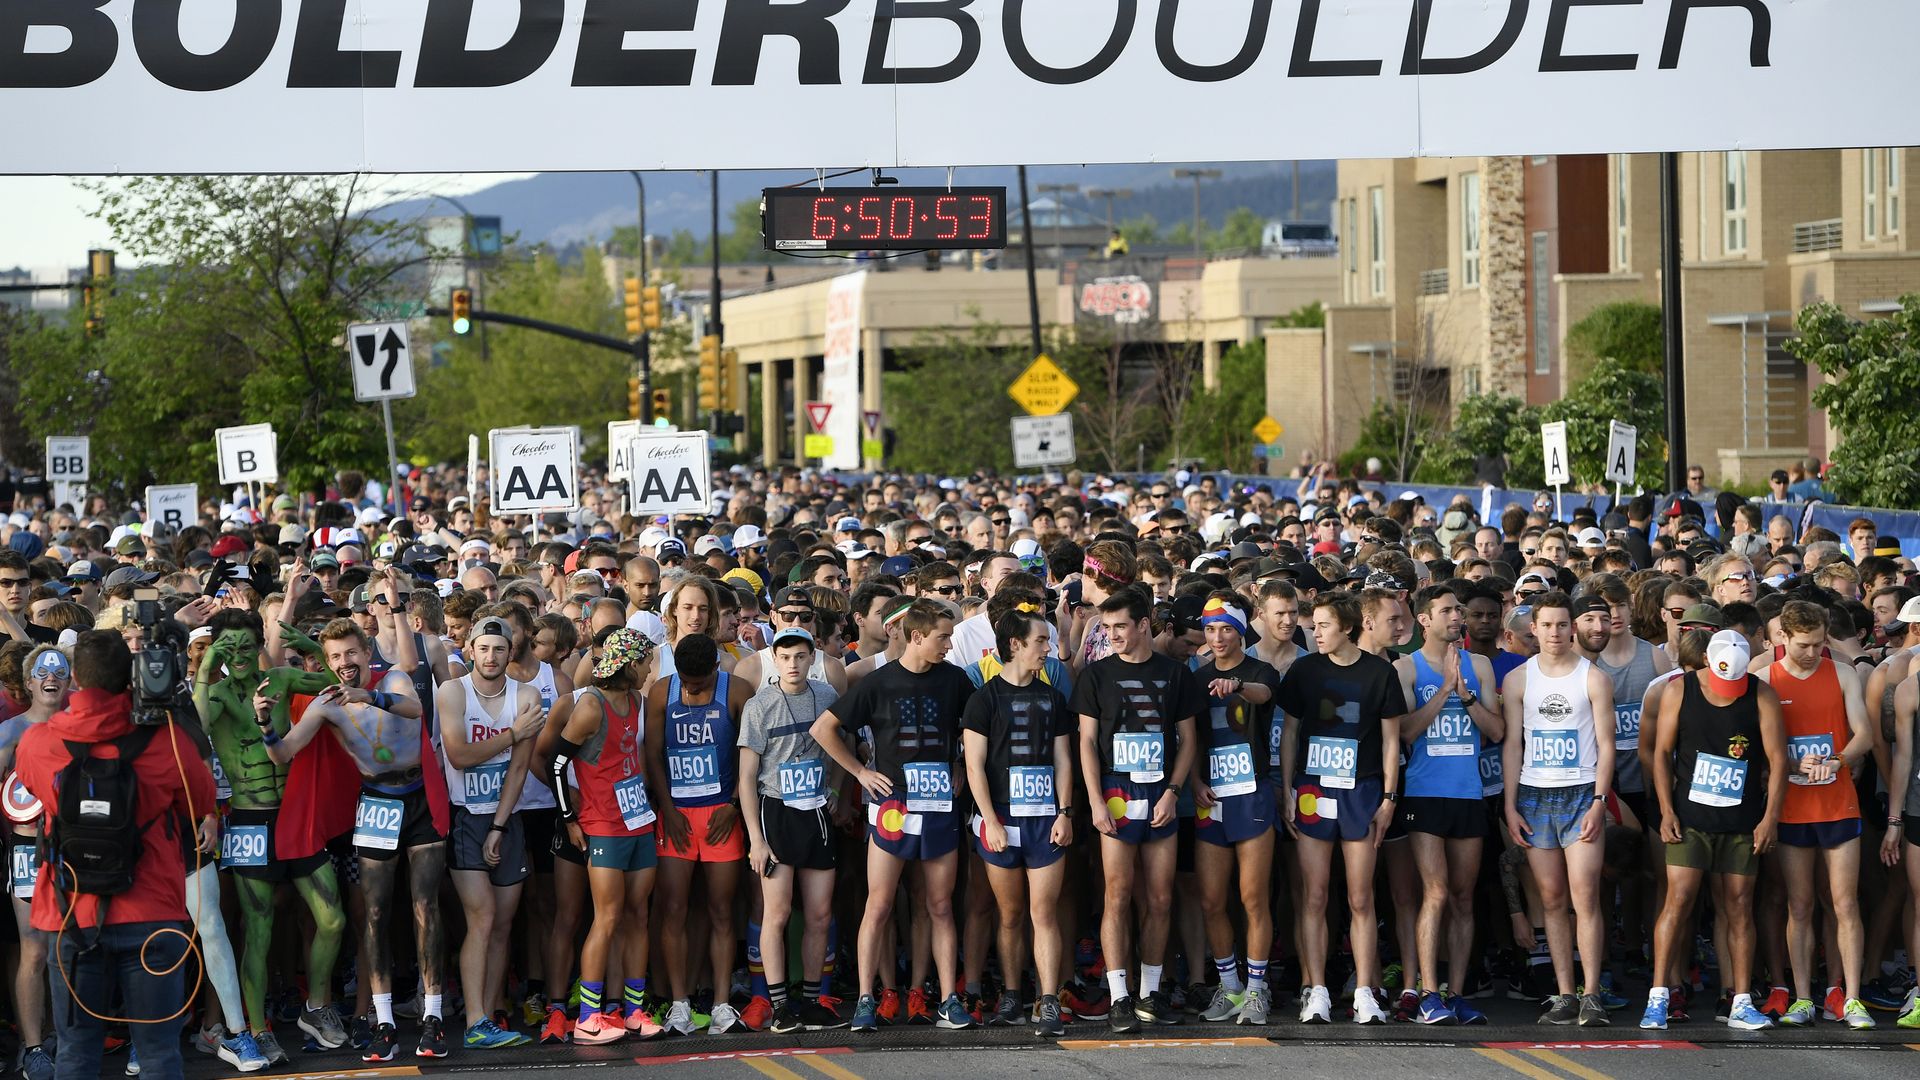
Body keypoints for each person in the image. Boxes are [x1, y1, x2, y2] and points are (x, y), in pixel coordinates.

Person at [17, 630, 217, 1080]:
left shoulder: (38, 743)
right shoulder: (165, 740)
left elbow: (31, 787)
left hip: (72, 916)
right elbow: (202, 800)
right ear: (131, 677)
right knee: (159, 1056)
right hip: (151, 915)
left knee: (75, 1054)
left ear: (74, 681)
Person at [263, 619, 444, 1061]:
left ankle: (433, 1017)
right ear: (328, 662)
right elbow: (284, 752)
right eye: (336, 657)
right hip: (378, 802)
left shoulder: (394, 677)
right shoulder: (326, 705)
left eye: (351, 653)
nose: (345, 663)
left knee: (425, 904)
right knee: (376, 912)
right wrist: (266, 723)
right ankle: (382, 1022)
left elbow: (414, 710)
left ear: (366, 653)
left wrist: (370, 695)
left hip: (419, 798)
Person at [811, 599, 977, 1033]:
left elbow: (973, 728)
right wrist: (861, 773)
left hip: (939, 802)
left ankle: (946, 999)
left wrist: (959, 762)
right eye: (943, 636)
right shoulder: (877, 682)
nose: (949, 643)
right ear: (917, 636)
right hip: (893, 805)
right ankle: (867, 998)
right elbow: (823, 730)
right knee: (880, 903)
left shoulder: (955, 679)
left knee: (939, 904)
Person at [194, 610, 345, 1067]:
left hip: (294, 815)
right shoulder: (214, 694)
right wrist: (205, 667)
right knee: (257, 930)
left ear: (259, 644)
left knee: (333, 918)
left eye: (246, 646)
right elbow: (196, 725)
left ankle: (316, 1008)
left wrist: (316, 649)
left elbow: (337, 686)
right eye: (228, 648)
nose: (238, 657)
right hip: (247, 820)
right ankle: (257, 1029)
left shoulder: (280, 678)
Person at [1642, 629, 1787, 1032]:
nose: (1729, 691)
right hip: (1690, 818)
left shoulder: (1760, 694)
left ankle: (1740, 1000)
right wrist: (1666, 809)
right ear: (1706, 660)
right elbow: (1661, 753)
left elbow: (1777, 761)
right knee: (1679, 899)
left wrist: (1769, 818)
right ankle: (1658, 996)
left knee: (1740, 904)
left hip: (1741, 821)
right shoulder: (1679, 691)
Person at [1074, 586, 1203, 1031]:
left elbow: (1189, 740)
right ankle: (1118, 996)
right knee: (1116, 895)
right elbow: (1086, 742)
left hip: (1161, 794)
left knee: (1161, 898)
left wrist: (1173, 791)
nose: (1113, 635)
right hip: (1114, 793)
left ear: (1144, 624)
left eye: (1121, 626)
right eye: (1106, 628)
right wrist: (1093, 801)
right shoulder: (1095, 676)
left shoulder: (1175, 674)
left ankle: (1149, 992)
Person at [1276, 592, 1407, 1025]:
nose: (1315, 633)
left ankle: (1366, 991)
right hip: (1312, 789)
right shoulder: (1304, 669)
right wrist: (1289, 788)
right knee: (1314, 895)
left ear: (1348, 627)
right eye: (1313, 626)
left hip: (1363, 790)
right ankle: (1316, 991)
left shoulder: (1379, 672)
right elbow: (1290, 732)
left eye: (1323, 626)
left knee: (1360, 896)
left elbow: (1391, 741)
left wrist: (1389, 797)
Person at [1755, 600, 1876, 1029]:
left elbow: (1865, 732)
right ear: (1782, 637)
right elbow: (1755, 743)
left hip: (1837, 803)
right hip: (1790, 808)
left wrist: (1839, 760)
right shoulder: (1763, 676)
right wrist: (1790, 763)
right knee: (1800, 904)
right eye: (1804, 645)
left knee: (1844, 902)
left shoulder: (1841, 672)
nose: (1812, 652)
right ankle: (1803, 996)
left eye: (1819, 643)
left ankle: (1852, 997)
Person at [541, 629, 662, 1044]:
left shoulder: (638, 702)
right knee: (607, 917)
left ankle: (632, 1011)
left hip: (638, 822)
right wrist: (571, 819)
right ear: (629, 664)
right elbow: (556, 764)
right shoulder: (590, 706)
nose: (650, 668)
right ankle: (589, 1017)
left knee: (638, 916)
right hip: (604, 826)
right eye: (645, 661)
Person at [1501, 592, 1614, 1027]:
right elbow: (1513, 745)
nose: (1554, 633)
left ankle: (1592, 994)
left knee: (1585, 896)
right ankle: (1565, 994)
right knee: (1551, 898)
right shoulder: (1518, 679)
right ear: (1534, 628)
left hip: (1581, 792)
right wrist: (1510, 805)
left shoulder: (1593, 678)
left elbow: (1606, 745)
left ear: (1572, 628)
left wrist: (1600, 800)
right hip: (1535, 795)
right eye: (1546, 625)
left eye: (1562, 625)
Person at [962, 607, 1075, 1036]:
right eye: (1041, 642)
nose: (1048, 649)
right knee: (1009, 914)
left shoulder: (1053, 697)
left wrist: (1064, 812)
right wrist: (989, 820)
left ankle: (1048, 1000)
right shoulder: (984, 698)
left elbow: (1064, 760)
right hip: (1001, 819)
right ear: (1015, 645)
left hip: (1046, 820)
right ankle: (1011, 995)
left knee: (1043, 912)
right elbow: (974, 766)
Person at [1393, 584, 1501, 1026]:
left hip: (1468, 792)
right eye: (1448, 610)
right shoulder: (1406, 667)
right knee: (1434, 891)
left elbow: (1496, 731)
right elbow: (1404, 731)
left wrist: (1468, 694)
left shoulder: (1480, 665)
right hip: (1424, 793)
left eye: (1459, 610)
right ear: (1424, 619)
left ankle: (1455, 993)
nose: (1457, 617)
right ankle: (1426, 992)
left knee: (1462, 897)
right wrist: (1443, 691)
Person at [434, 617, 544, 1049]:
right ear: (471, 650)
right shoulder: (453, 691)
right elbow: (459, 755)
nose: (491, 656)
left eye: (500, 649)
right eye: (484, 648)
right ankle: (475, 1019)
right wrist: (512, 733)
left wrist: (499, 825)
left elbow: (519, 768)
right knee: (480, 918)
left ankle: (492, 1012)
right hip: (465, 815)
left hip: (505, 817)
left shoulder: (527, 695)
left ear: (510, 652)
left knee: (502, 923)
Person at [738, 627, 847, 1034]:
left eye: (800, 656)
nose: (793, 665)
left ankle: (813, 1000)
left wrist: (836, 787)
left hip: (816, 811)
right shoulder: (759, 704)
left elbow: (842, 746)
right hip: (776, 811)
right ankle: (780, 1004)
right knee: (777, 913)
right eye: (785, 657)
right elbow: (747, 777)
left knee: (820, 914)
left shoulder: (827, 696)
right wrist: (755, 838)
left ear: (812, 658)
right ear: (775, 658)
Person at [645, 634, 750, 1035]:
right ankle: (679, 1004)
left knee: (722, 911)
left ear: (715, 669)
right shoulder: (661, 691)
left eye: (699, 682)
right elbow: (652, 753)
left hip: (722, 813)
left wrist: (735, 804)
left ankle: (722, 1004)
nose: (691, 687)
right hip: (678, 817)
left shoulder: (738, 690)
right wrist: (667, 808)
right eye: (686, 680)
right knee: (674, 909)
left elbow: (751, 751)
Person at [1189, 593, 1282, 1026]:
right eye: (1210, 629)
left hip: (1253, 793)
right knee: (1210, 900)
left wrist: (1238, 685)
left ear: (1241, 630)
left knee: (1252, 897)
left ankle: (1258, 989)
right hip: (1212, 796)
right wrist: (1193, 782)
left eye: (1226, 628)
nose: (1218, 637)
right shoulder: (1197, 676)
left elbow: (1264, 694)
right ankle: (1230, 988)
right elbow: (1188, 738)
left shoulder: (1259, 671)